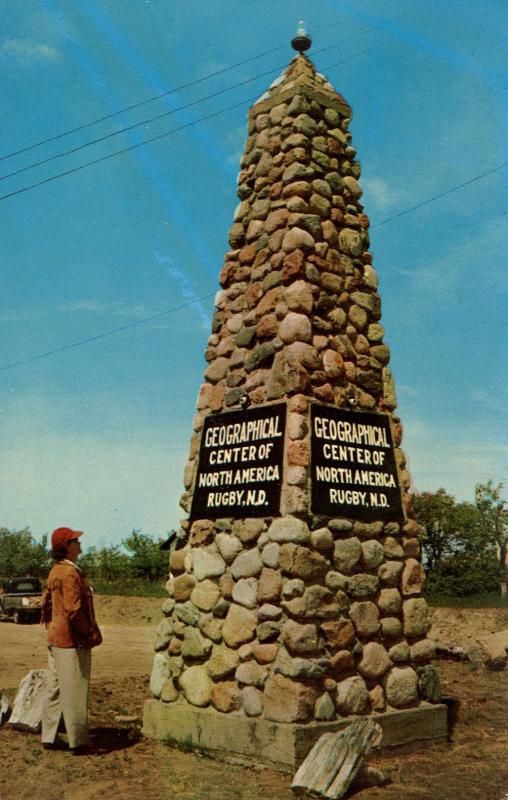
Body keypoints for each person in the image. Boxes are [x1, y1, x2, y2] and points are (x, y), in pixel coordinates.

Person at [40, 527, 102, 754]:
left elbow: (46, 604)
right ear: (67, 547)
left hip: (55, 637)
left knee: (55, 687)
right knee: (75, 689)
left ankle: (48, 736)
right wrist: (89, 633)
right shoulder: (70, 573)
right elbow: (74, 610)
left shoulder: (55, 570)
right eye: (75, 540)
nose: (79, 542)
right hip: (70, 641)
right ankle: (79, 742)